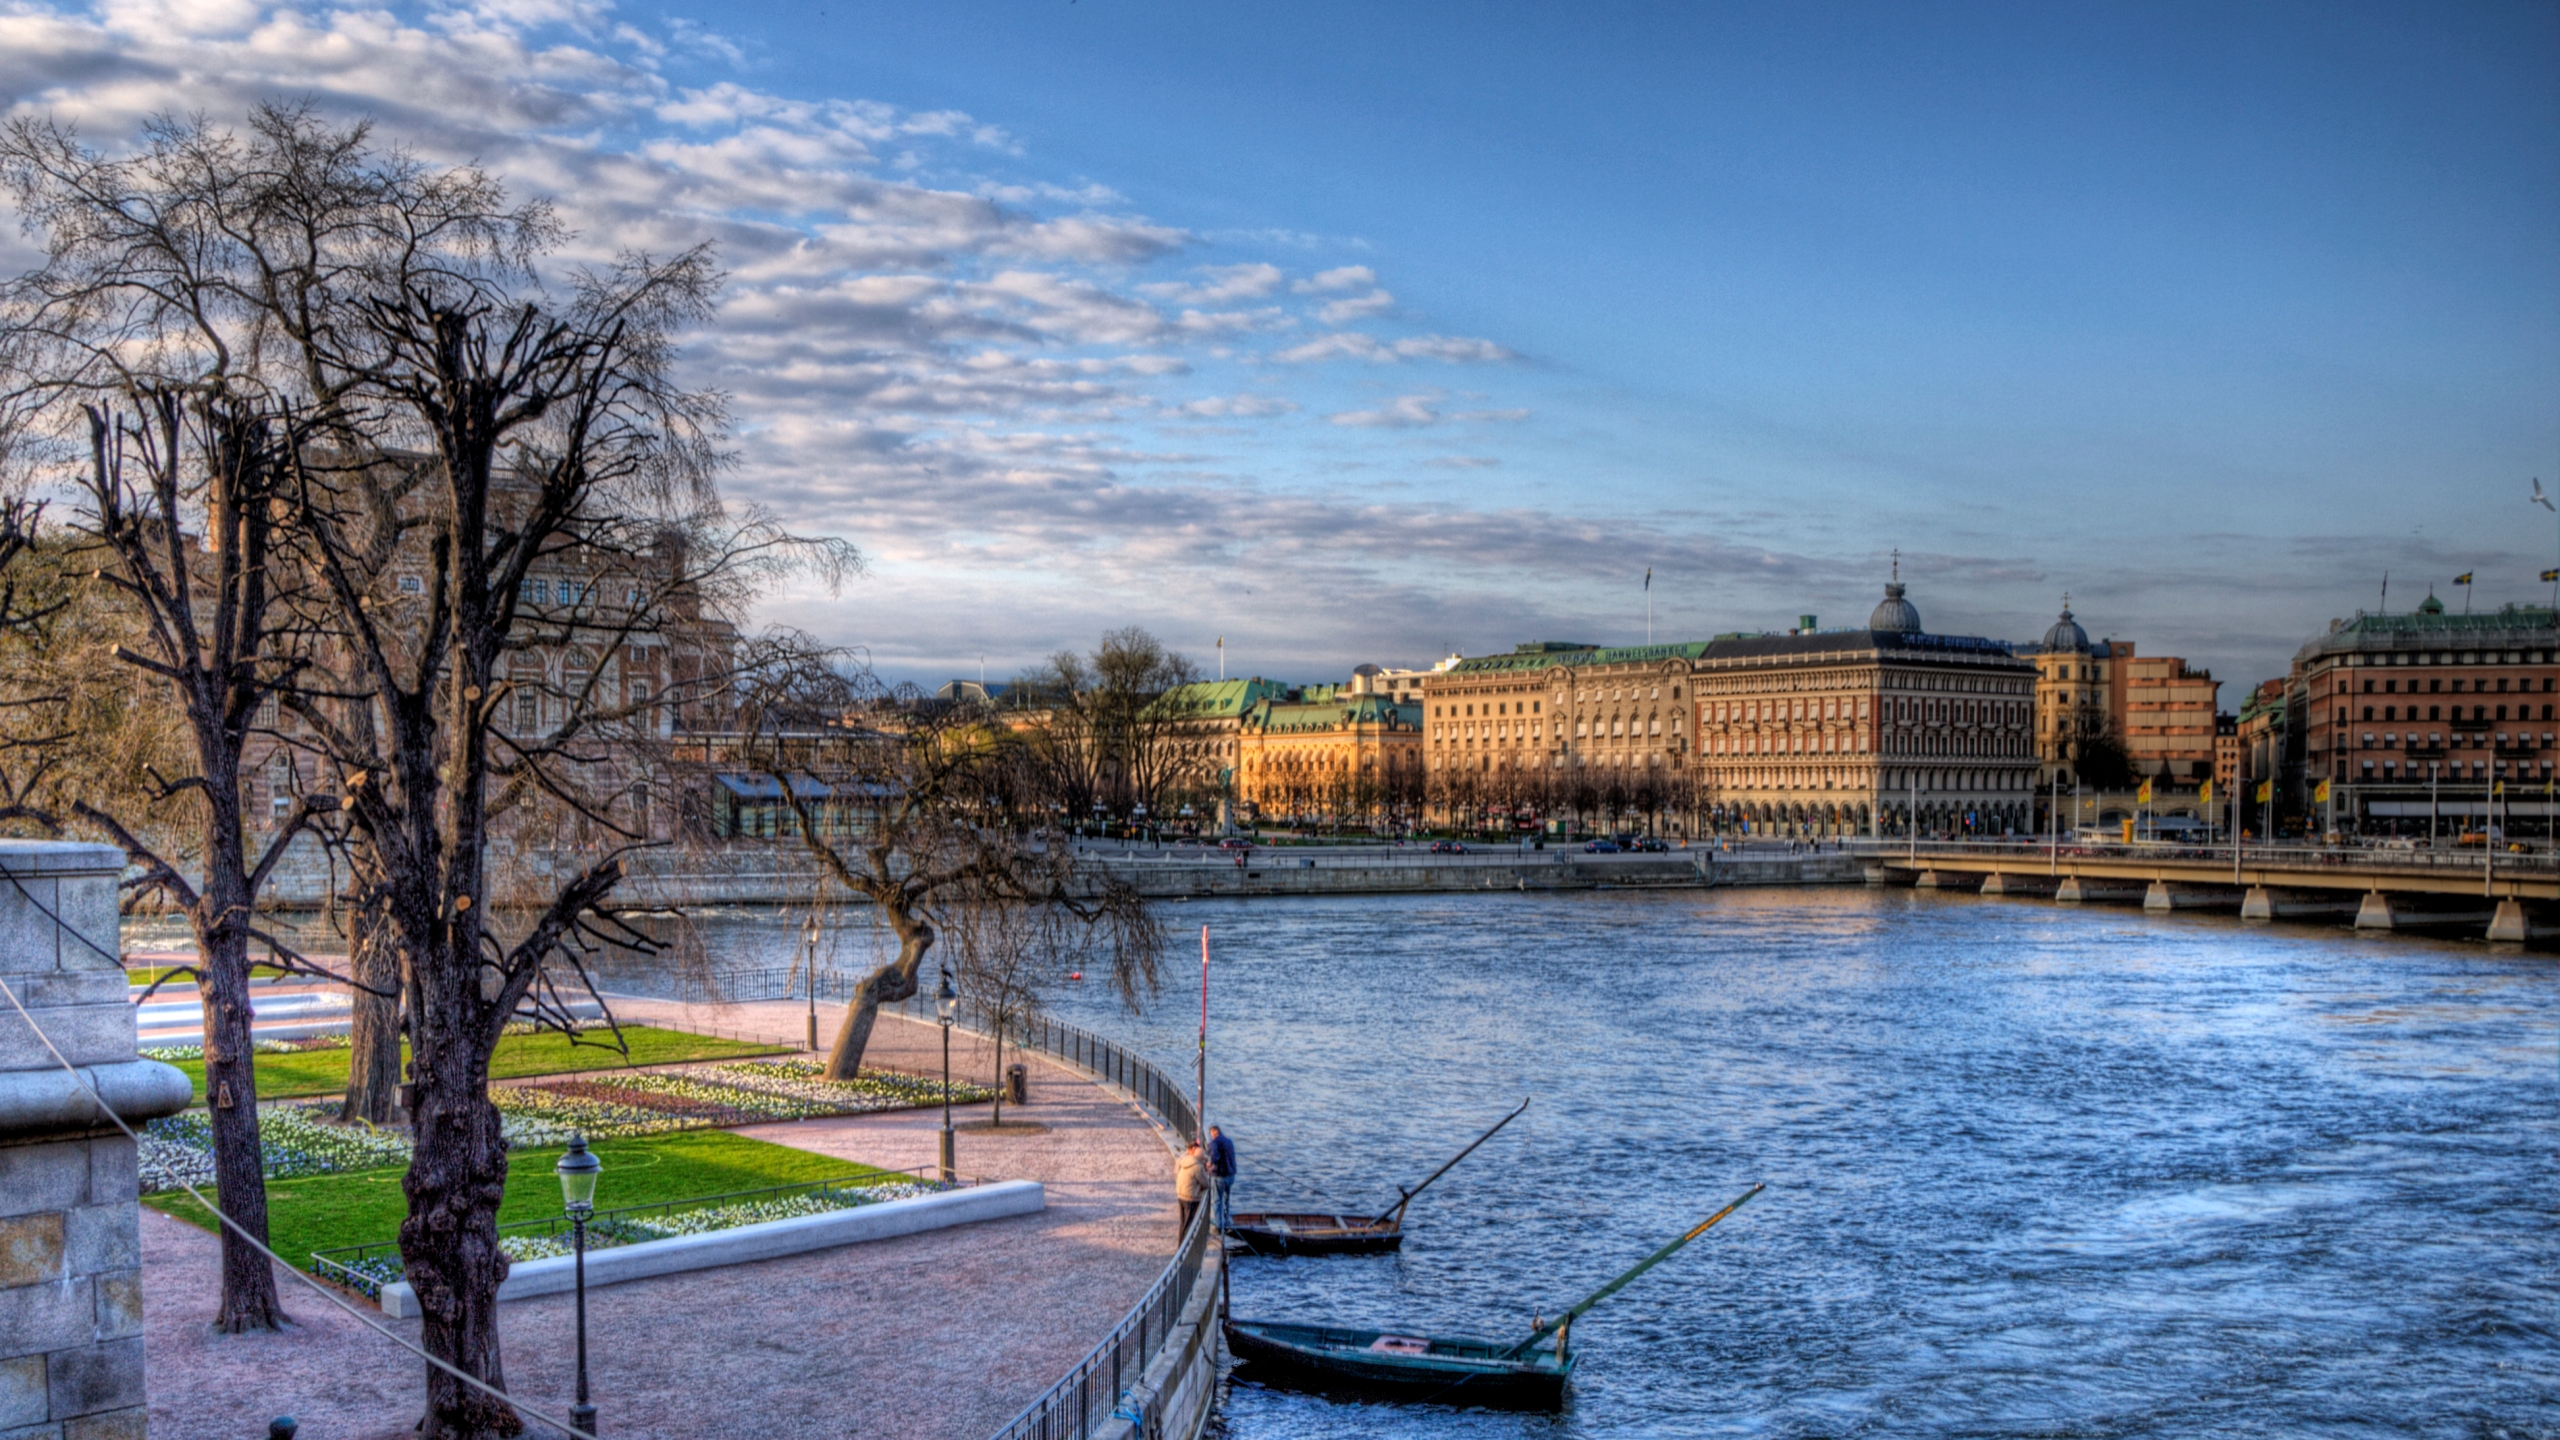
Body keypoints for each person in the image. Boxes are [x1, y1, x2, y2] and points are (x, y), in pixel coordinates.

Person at [1175, 1137, 1209, 1234]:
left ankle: (1181, 1245)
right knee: (1189, 1224)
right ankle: (1186, 1246)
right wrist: (1207, 1171)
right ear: (1201, 1158)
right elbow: (1206, 1184)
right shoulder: (1198, 1167)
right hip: (1191, 1198)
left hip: (1181, 1195)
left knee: (1183, 1223)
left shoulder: (1185, 1161)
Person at [1206, 1125, 1236, 1231]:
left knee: (1216, 1200)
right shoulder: (1229, 1141)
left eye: (1211, 1134)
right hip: (1231, 1175)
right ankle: (1226, 1221)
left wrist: (1209, 1164)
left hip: (1220, 1176)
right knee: (1226, 1200)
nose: (1211, 1136)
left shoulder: (1214, 1142)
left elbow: (1214, 1156)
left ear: (1214, 1132)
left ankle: (1219, 1225)